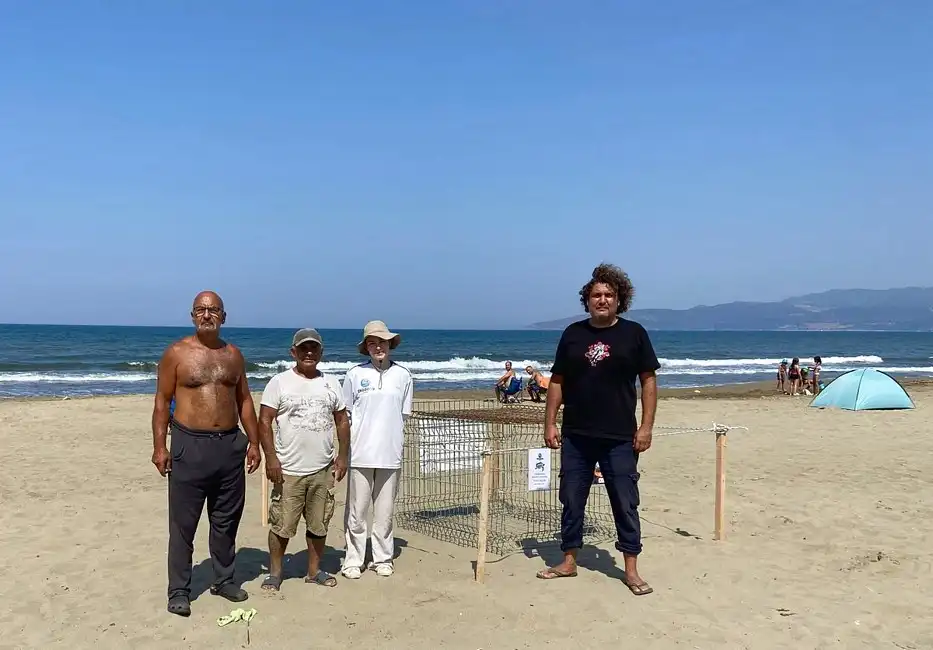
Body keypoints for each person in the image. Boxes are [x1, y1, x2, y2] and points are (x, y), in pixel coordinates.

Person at [538, 263, 660, 596]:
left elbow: (648, 381)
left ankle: (631, 570)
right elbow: (558, 380)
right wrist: (550, 422)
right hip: (576, 435)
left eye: (608, 294)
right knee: (571, 499)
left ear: (619, 300)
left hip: (620, 436)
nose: (602, 300)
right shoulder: (573, 334)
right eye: (596, 295)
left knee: (625, 502)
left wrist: (646, 427)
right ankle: (568, 561)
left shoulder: (634, 334)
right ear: (587, 300)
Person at [151, 291, 261, 617]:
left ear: (223, 316)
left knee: (226, 521)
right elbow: (161, 402)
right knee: (183, 525)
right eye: (201, 309)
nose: (207, 315)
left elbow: (244, 400)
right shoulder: (176, 353)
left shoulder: (234, 355)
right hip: (190, 444)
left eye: (213, 310)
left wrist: (254, 443)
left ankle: (224, 580)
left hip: (229, 445)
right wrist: (160, 446)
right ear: (192, 315)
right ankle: (179, 590)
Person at [258, 329, 350, 592]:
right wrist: (271, 458)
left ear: (321, 352)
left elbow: (342, 421)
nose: (309, 353)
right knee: (282, 525)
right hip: (288, 470)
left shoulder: (331, 383)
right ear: (293, 352)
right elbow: (264, 421)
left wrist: (343, 456)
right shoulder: (279, 382)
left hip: (323, 469)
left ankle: (314, 571)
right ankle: (275, 573)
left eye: (314, 348)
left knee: (319, 524)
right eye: (303, 348)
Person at [340, 320, 413, 579]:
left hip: (390, 454)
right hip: (361, 453)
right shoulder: (354, 374)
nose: (378, 347)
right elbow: (346, 414)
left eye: (382, 342)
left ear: (390, 344)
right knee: (357, 511)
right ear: (366, 347)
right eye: (372, 343)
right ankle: (353, 559)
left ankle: (383, 558)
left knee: (384, 512)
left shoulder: (403, 375)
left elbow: (403, 415)